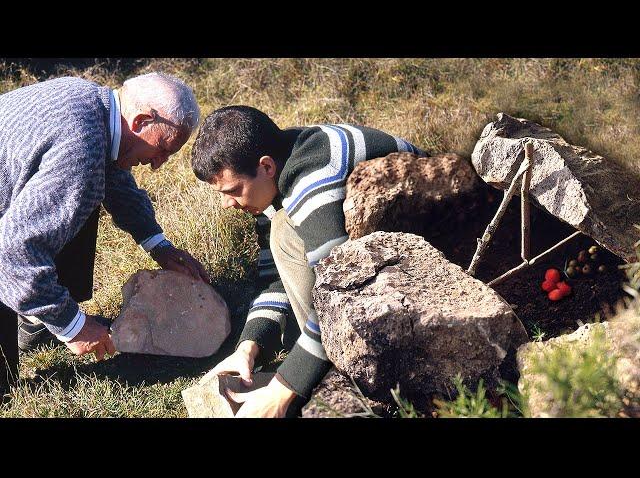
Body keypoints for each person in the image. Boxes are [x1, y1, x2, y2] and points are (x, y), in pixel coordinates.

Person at [190, 105, 427, 417]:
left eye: (232, 190)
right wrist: (250, 345)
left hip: (436, 261)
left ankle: (344, 379)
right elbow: (276, 276)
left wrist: (284, 388)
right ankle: (324, 364)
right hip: (384, 259)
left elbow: (341, 299)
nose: (226, 204)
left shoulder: (311, 184)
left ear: (266, 167)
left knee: (285, 232)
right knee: (283, 232)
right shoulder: (279, 165)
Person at [0, 71, 209, 399]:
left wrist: (158, 244)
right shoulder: (79, 151)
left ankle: (35, 323)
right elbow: (12, 252)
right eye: (163, 149)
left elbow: (113, 177)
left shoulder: (93, 104)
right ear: (140, 121)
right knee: (4, 388)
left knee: (79, 198)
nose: (158, 165)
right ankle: (42, 318)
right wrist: (74, 326)